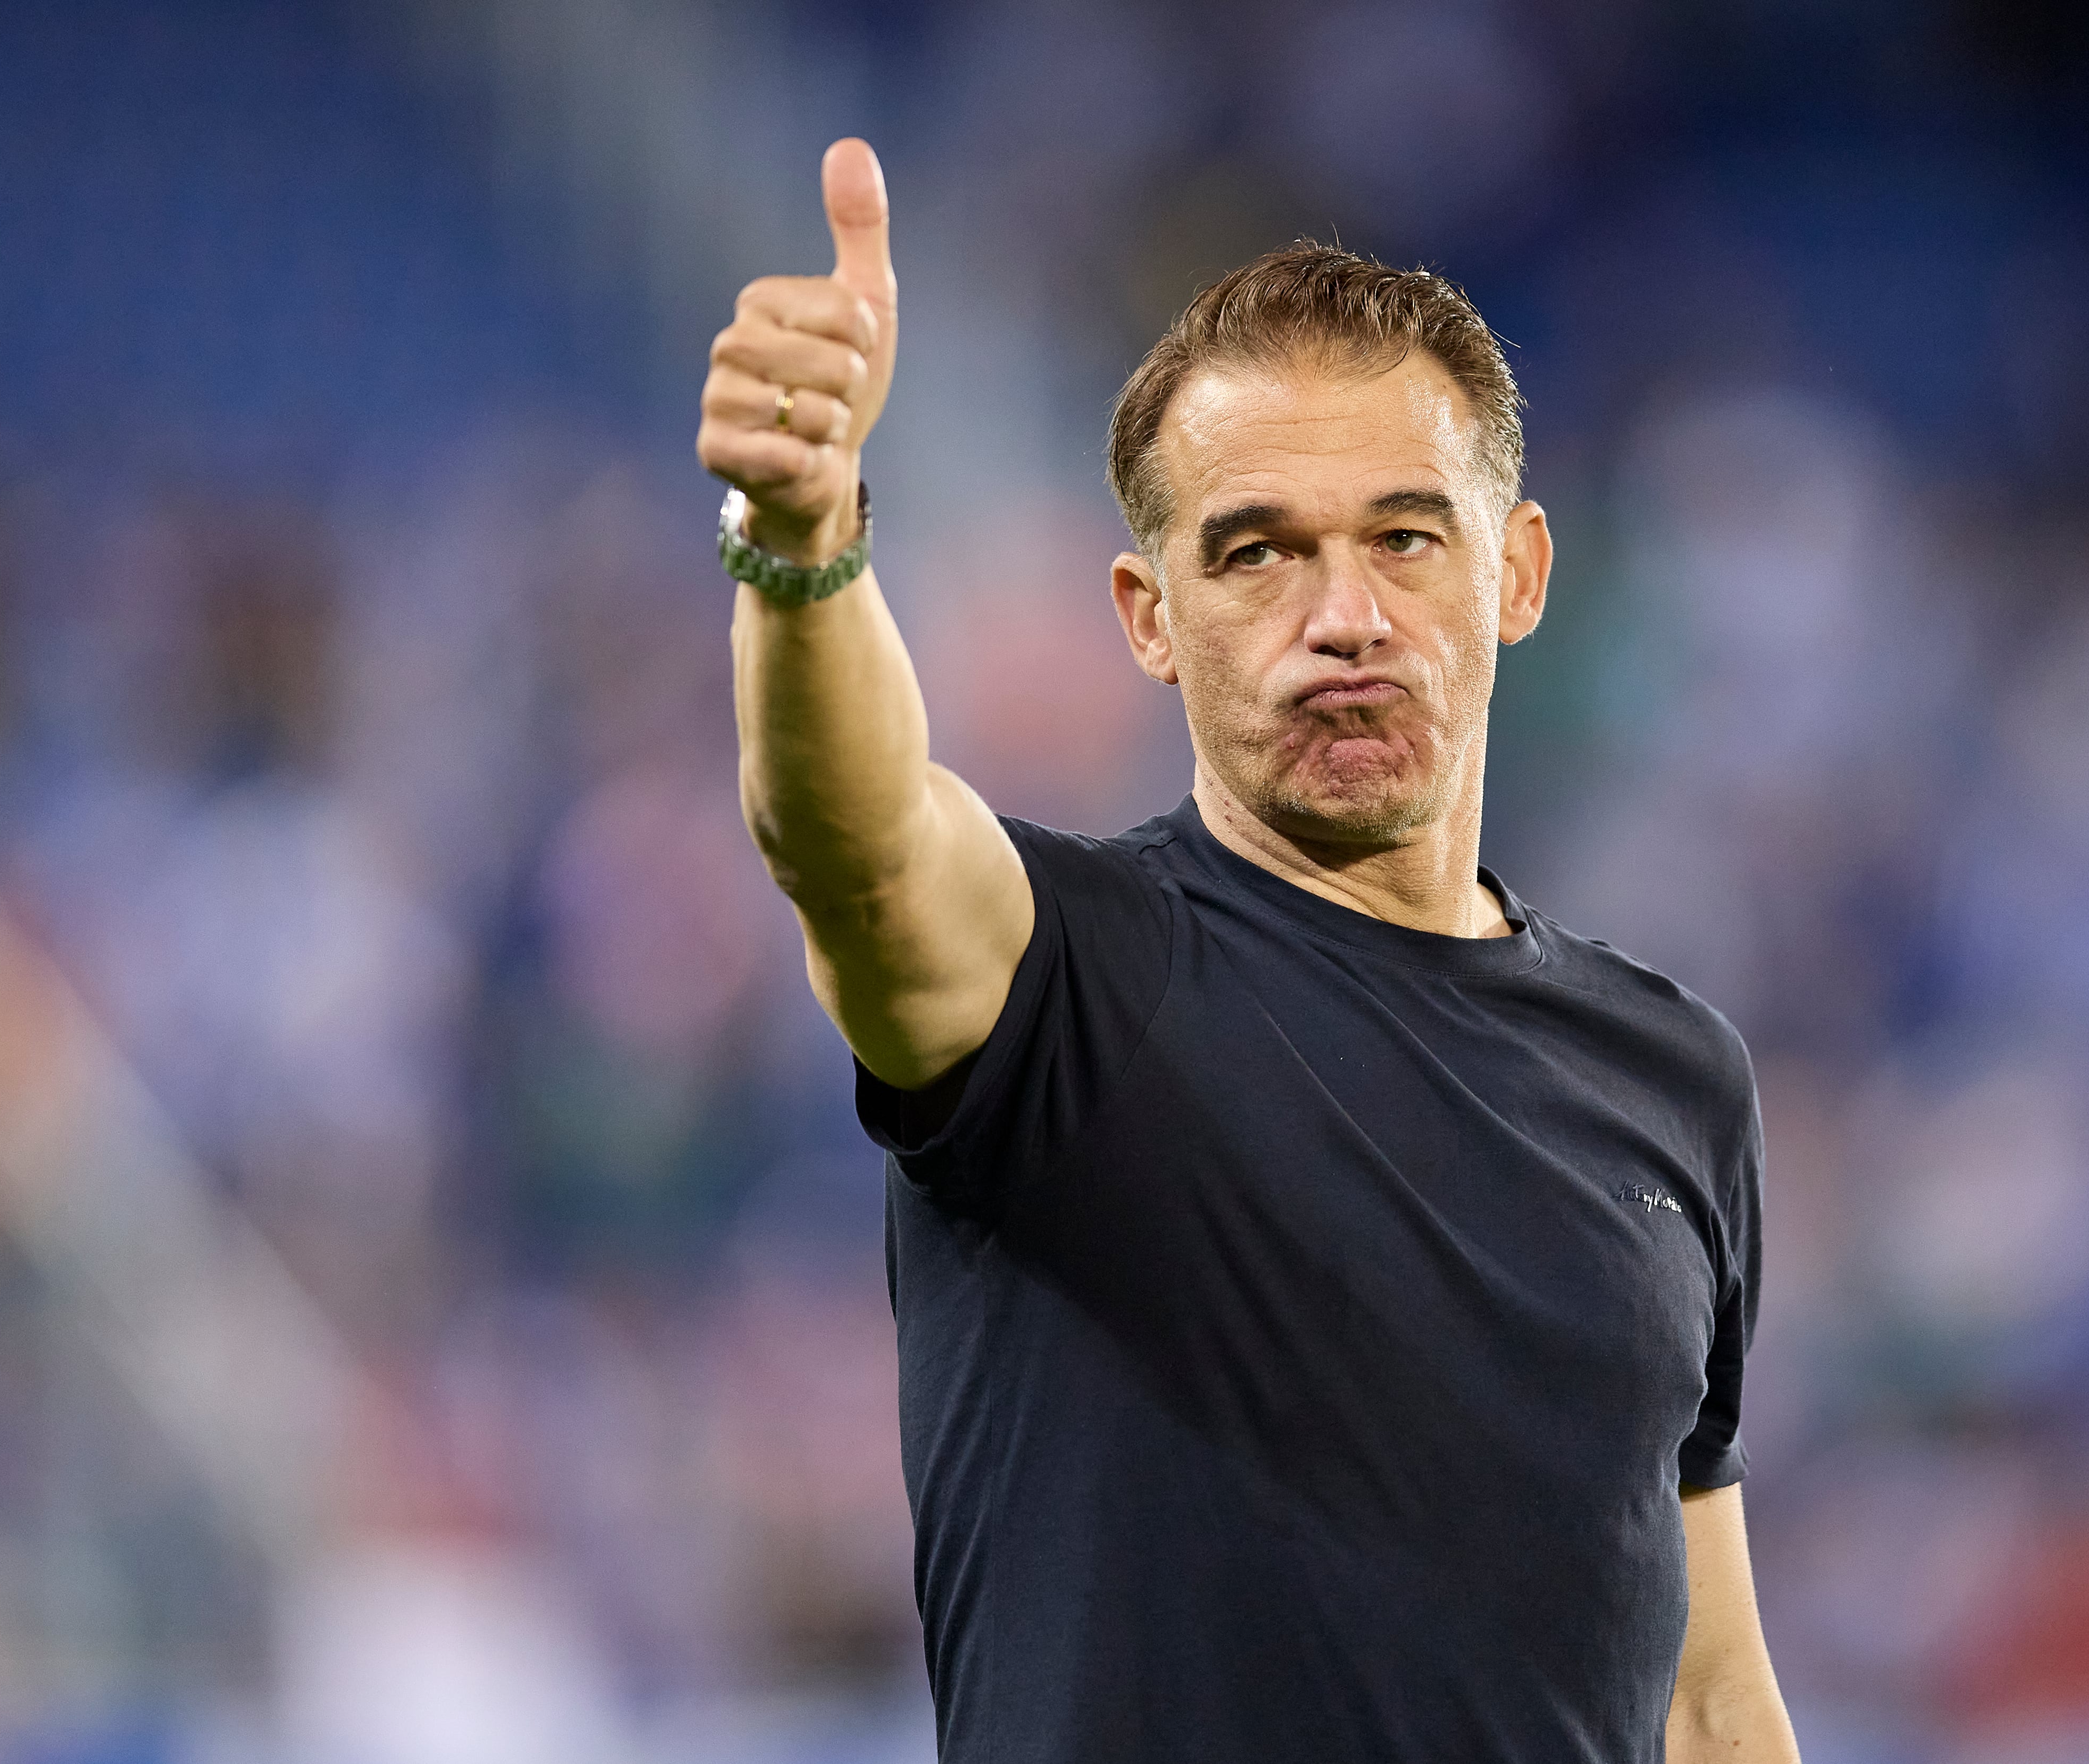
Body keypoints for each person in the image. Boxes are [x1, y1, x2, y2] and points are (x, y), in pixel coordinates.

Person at [697, 137, 1802, 1764]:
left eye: (1407, 540)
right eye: (1258, 550)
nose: (1342, 616)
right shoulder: (1067, 986)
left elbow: (1706, 1694)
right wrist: (802, 548)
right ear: (1149, 616)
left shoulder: (1674, 1076)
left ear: (1520, 576)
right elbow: (854, 849)